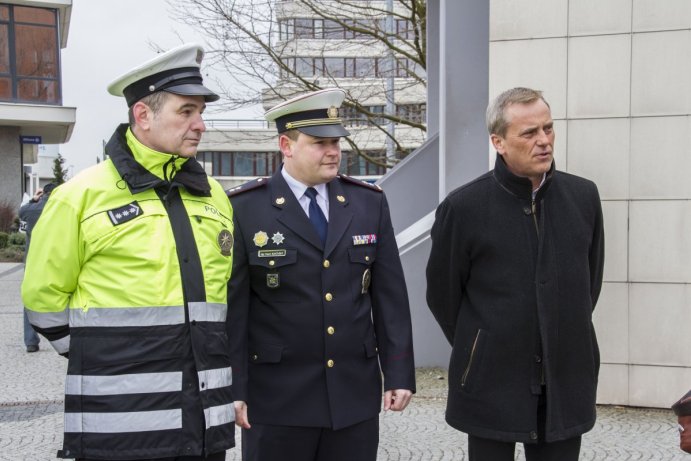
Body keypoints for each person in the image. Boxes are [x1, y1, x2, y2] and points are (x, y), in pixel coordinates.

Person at [21, 43, 236, 461]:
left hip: (204, 426)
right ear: (143, 114)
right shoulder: (79, 196)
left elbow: (223, 297)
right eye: (186, 111)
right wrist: (101, 353)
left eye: (201, 112)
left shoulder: (213, 196)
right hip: (118, 427)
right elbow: (42, 299)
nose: (200, 125)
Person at [226, 88, 416, 461]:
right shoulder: (246, 208)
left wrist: (398, 373)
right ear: (287, 144)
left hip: (351, 396)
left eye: (336, 142)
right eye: (320, 143)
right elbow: (236, 308)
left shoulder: (367, 202)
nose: (333, 151)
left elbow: (390, 296)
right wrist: (235, 386)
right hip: (278, 398)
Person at [426, 87, 605, 461]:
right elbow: (443, 296)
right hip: (492, 380)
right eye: (529, 133)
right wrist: (483, 344)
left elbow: (589, 283)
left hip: (565, 377)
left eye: (548, 129)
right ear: (498, 142)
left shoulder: (583, 197)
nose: (543, 141)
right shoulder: (463, 208)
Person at [18, 182, 56, 353]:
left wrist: (34, 199)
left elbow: (21, 212)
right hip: (55, 261)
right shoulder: (60, 208)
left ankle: (31, 342)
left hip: (33, 262)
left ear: (43, 193)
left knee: (30, 299)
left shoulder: (31, 210)